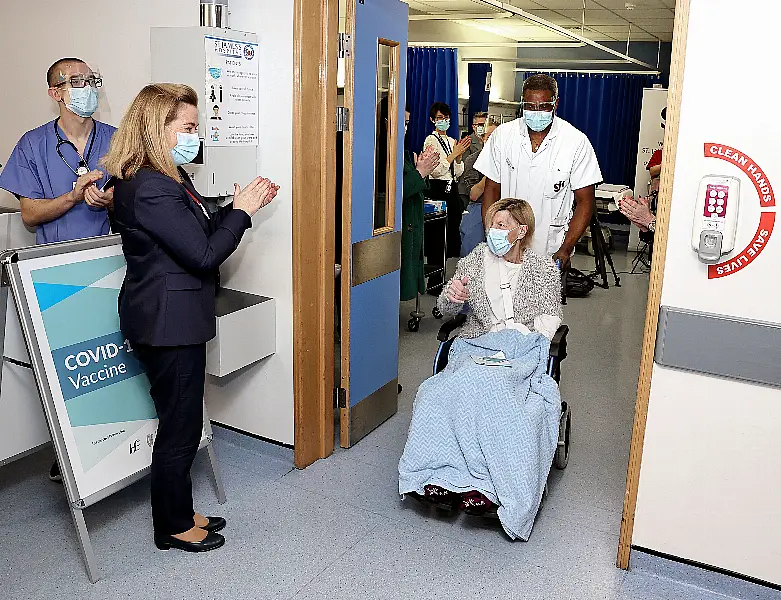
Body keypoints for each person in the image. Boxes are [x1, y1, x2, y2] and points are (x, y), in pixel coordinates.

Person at [104, 84, 279, 553]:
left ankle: (178, 505)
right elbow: (203, 254)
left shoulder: (169, 178)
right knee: (179, 425)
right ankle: (172, 525)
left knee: (181, 418)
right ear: (156, 129)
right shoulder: (150, 187)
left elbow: (196, 228)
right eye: (186, 127)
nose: (194, 135)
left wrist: (237, 204)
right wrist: (241, 213)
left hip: (174, 316)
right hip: (166, 321)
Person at [399, 198, 563, 541]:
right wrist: (453, 296)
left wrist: (521, 338)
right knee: (435, 392)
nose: (495, 231)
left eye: (503, 225)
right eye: (493, 224)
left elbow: (550, 318)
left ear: (522, 230)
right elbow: (444, 308)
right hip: (477, 343)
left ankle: (487, 487)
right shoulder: (475, 260)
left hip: (520, 348)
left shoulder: (543, 268)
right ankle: (439, 477)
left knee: (502, 396)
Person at [0, 57, 116, 483]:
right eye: (77, 81)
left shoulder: (116, 139)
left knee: (112, 362)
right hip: (54, 276)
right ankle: (72, 455)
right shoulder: (33, 145)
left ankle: (109, 450)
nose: (87, 87)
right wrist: (72, 197)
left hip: (110, 268)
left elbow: (137, 197)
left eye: (92, 80)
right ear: (56, 93)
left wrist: (110, 201)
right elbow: (30, 215)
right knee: (68, 370)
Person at [475, 74, 603, 269]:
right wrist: (491, 232)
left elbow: (585, 201)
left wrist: (567, 247)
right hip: (506, 241)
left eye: (543, 106)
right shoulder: (503, 136)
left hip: (550, 246)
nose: (536, 112)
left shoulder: (575, 142)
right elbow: (491, 188)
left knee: (541, 297)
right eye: (529, 106)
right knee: (501, 295)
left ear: (555, 103)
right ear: (522, 104)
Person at [400, 107, 439, 301]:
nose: (405, 129)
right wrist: (419, 173)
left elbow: (418, 186)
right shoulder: (380, 155)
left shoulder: (404, 154)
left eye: (408, 124)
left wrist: (421, 169)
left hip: (412, 222)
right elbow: (392, 194)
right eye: (403, 123)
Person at [423, 102, 471, 259]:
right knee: (437, 234)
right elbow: (435, 171)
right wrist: (452, 156)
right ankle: (436, 267)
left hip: (452, 188)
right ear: (432, 120)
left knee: (453, 230)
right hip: (437, 188)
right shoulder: (431, 140)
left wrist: (458, 158)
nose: (444, 121)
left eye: (446, 118)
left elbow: (457, 172)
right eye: (440, 118)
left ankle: (450, 265)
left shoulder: (451, 141)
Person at [459, 119, 499, 257]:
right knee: (471, 251)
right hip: (478, 206)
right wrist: (491, 171)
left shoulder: (510, 160)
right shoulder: (472, 160)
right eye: (489, 136)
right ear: (482, 139)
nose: (493, 140)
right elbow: (474, 194)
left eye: (496, 136)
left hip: (502, 208)